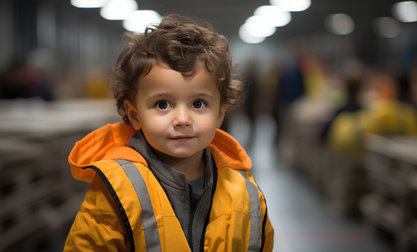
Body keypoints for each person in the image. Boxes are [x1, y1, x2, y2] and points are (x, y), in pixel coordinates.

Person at [64, 15, 274, 252]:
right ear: (135, 116)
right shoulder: (116, 190)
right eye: (163, 104)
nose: (182, 120)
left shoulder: (246, 194)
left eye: (198, 104)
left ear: (220, 114)